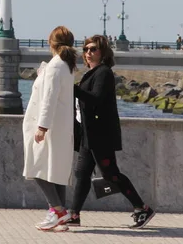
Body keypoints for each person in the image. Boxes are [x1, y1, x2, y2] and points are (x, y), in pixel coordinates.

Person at [65, 35, 155, 228]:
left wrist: (72, 89)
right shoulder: (91, 73)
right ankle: (74, 214)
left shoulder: (103, 73)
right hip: (88, 135)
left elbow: (95, 99)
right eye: (86, 49)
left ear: (103, 52)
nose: (89, 52)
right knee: (81, 173)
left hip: (100, 136)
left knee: (111, 174)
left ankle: (142, 208)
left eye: (93, 49)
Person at [22, 26, 77, 232]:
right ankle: (57, 215)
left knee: (37, 167)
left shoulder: (56, 65)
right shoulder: (66, 65)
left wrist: (42, 127)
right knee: (57, 171)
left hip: (50, 127)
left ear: (51, 43)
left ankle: (58, 210)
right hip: (61, 127)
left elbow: (49, 99)